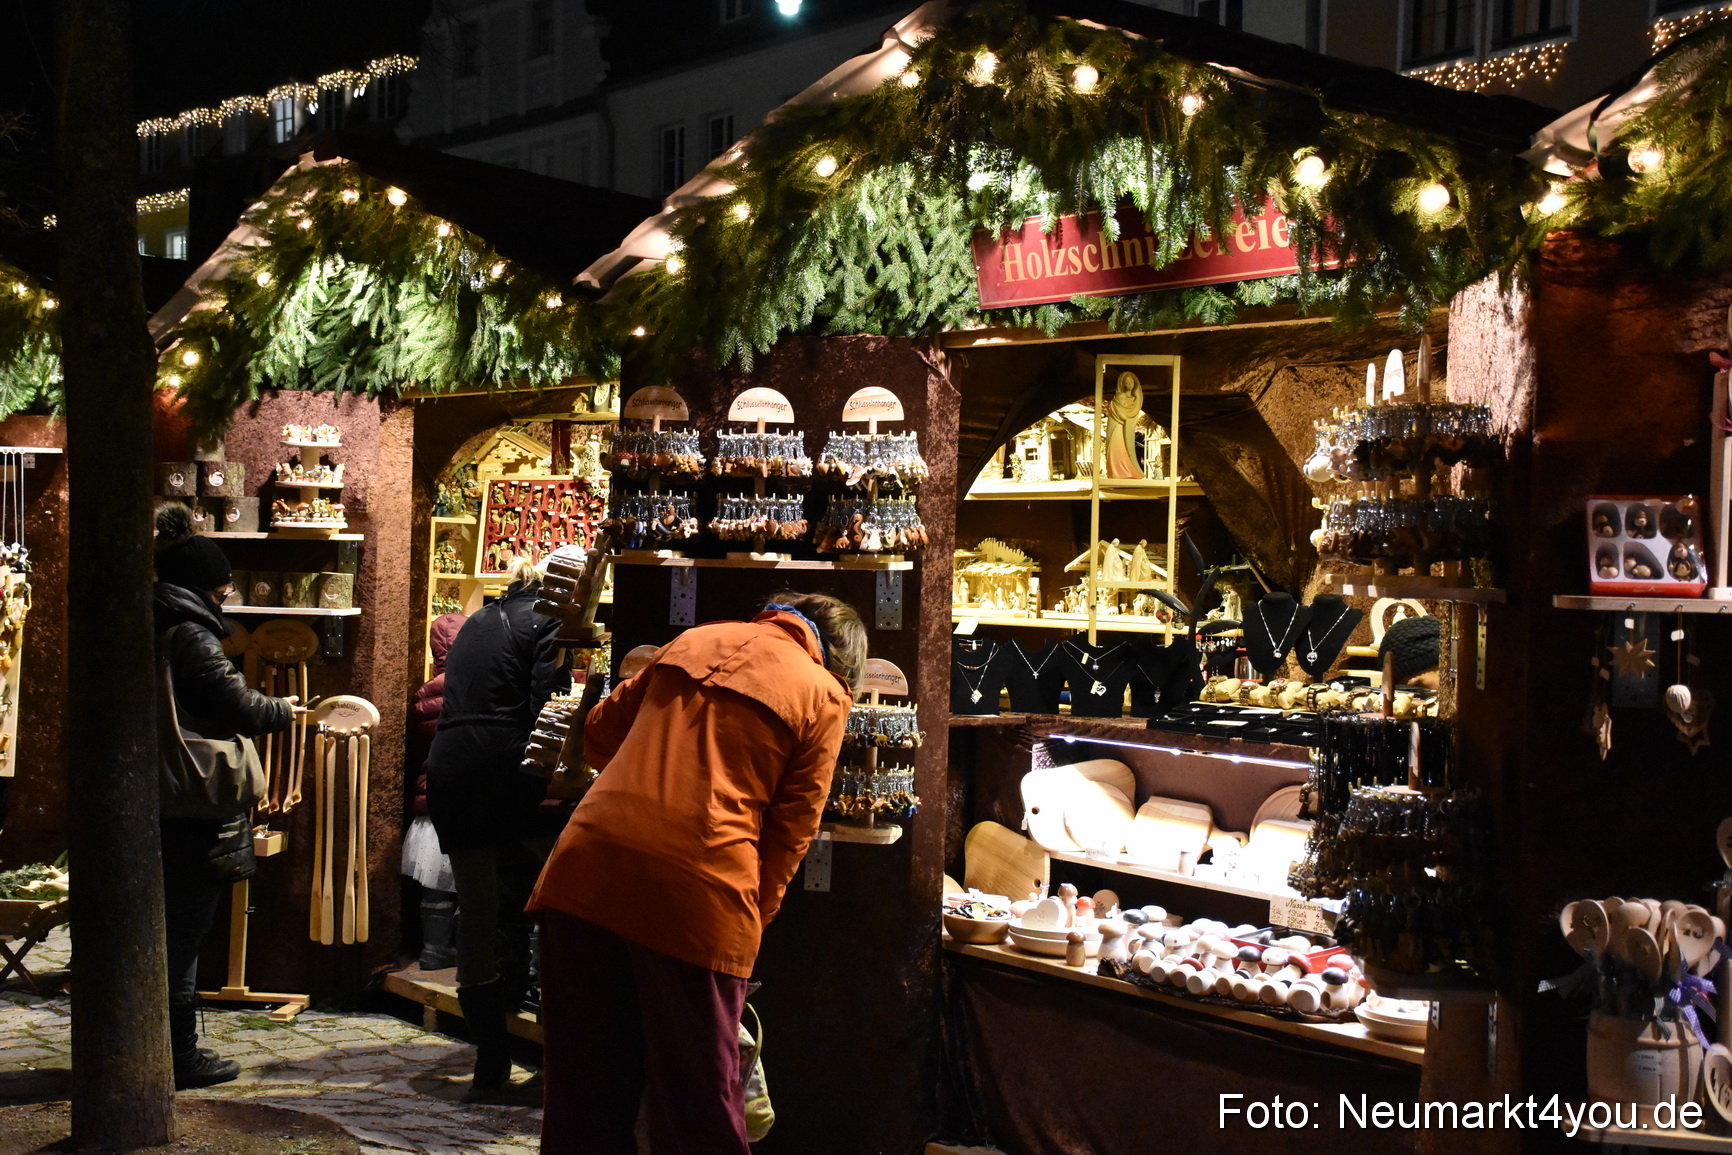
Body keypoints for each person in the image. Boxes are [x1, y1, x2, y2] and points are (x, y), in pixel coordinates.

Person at [529, 592, 866, 1155]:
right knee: (697, 1108)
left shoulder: (695, 639)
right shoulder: (824, 694)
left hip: (584, 870)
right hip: (699, 893)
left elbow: (599, 735)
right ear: (842, 660)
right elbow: (792, 833)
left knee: (582, 1096)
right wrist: (749, 923)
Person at [152, 505, 299, 1089]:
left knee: (172, 929)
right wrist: (282, 709)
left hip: (162, 799)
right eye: (221, 589)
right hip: (191, 805)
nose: (226, 598)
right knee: (184, 932)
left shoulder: (155, 619)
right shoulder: (190, 633)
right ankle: (179, 1055)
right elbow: (234, 703)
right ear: (201, 589)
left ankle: (164, 1048)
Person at [426, 558, 568, 1101]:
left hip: (453, 767)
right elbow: (546, 704)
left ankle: (490, 1061)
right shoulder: (547, 619)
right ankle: (562, 1054)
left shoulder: (476, 621)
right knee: (561, 900)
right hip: (507, 767)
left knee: (478, 913)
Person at [402, 612, 467, 970]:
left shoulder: (425, 692)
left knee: (434, 876)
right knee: (465, 875)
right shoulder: (475, 685)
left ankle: (432, 949)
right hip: (465, 793)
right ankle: (464, 949)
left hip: (431, 793)